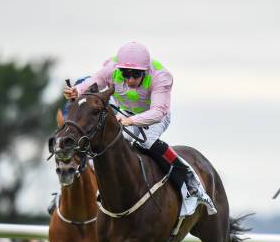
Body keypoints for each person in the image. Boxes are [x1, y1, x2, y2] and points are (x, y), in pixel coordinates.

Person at [62, 41, 215, 211]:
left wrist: (131, 121)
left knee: (146, 141)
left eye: (135, 74)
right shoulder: (111, 69)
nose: (131, 79)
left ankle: (188, 178)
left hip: (154, 115)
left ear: (145, 71)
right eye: (126, 74)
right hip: (125, 112)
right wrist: (76, 90)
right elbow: (94, 81)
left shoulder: (161, 77)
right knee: (110, 141)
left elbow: (158, 112)